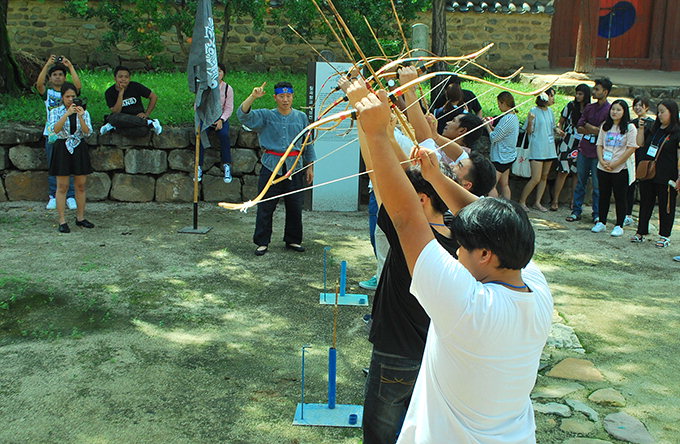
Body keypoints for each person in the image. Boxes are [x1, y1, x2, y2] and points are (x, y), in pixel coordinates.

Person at [350, 82, 553, 444]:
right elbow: (480, 216)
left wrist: (376, 131)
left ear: (486, 254)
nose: (457, 250)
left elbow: (407, 218)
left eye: (465, 245)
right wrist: (435, 177)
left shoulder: (468, 305)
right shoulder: (535, 288)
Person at [237, 81, 315, 256]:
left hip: (295, 166)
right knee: (266, 205)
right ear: (275, 97)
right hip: (271, 165)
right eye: (281, 96)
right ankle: (262, 241)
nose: (285, 100)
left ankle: (293, 239)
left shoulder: (301, 117)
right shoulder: (266, 115)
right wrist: (253, 97)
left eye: (288, 96)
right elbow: (243, 116)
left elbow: (308, 143)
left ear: (293, 97)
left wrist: (310, 166)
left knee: (295, 205)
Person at [631, 100, 680, 248]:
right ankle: (641, 232)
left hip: (667, 175)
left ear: (672, 112)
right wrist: (640, 129)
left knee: (666, 205)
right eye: (658, 111)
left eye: (663, 111)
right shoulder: (654, 128)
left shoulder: (677, 132)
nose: (660, 115)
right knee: (645, 203)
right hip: (648, 172)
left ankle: (664, 235)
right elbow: (640, 144)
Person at [47, 82, 94, 233]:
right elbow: (54, 130)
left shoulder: (84, 112)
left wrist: (80, 117)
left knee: (80, 185)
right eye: (67, 96)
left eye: (73, 96)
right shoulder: (56, 111)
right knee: (62, 186)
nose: (70, 99)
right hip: (62, 147)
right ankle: (62, 220)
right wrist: (67, 114)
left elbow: (87, 133)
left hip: (79, 147)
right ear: (62, 97)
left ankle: (80, 218)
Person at [35, 55, 81, 211]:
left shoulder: (68, 94)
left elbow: (78, 86)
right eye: (55, 75)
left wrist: (70, 66)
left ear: (64, 77)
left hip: (69, 133)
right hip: (52, 134)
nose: (58, 77)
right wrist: (48, 65)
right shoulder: (48, 93)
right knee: (53, 165)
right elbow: (39, 84)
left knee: (71, 165)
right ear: (51, 78)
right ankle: (53, 196)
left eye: (61, 74)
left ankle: (70, 196)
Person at [567, 78, 613, 222]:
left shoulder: (610, 110)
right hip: (585, 148)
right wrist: (594, 130)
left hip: (599, 151)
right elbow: (579, 126)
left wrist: (590, 127)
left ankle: (597, 213)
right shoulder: (589, 108)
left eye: (597, 89)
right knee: (581, 182)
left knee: (597, 185)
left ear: (605, 92)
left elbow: (605, 131)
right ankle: (576, 210)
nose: (594, 92)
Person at [591, 99, 638, 236]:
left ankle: (619, 224)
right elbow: (599, 145)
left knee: (620, 196)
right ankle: (602, 222)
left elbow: (631, 149)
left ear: (624, 112)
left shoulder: (630, 128)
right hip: (603, 166)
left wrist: (616, 163)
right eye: (613, 109)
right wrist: (601, 160)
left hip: (620, 168)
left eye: (618, 110)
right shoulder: (605, 126)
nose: (615, 112)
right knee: (603, 194)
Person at [519, 88, 564, 212]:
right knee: (536, 178)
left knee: (544, 176)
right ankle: (522, 201)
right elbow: (529, 131)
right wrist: (530, 121)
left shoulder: (550, 111)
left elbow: (552, 126)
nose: (553, 99)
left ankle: (537, 202)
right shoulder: (533, 111)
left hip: (549, 147)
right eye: (551, 96)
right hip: (537, 147)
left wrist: (557, 130)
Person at [551, 83, 591, 211]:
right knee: (563, 170)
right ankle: (555, 200)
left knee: (577, 173)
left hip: (582, 142)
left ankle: (574, 201)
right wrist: (559, 130)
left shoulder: (589, 108)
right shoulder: (570, 106)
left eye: (580, 94)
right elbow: (561, 121)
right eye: (577, 93)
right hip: (568, 139)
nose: (577, 96)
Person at [197, 63, 234, 183]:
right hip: (206, 118)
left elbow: (229, 108)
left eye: (220, 71)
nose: (217, 74)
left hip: (220, 118)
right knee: (200, 135)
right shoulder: (204, 88)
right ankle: (198, 166)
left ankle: (227, 165)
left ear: (223, 73)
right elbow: (197, 105)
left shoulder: (228, 88)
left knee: (224, 135)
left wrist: (221, 120)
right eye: (214, 71)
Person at [100, 66, 162, 137]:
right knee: (114, 118)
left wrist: (146, 114)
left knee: (143, 130)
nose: (123, 79)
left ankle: (113, 128)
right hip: (121, 118)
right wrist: (121, 94)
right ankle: (149, 123)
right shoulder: (109, 92)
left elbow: (153, 97)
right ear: (115, 78)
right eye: (120, 77)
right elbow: (116, 111)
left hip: (136, 117)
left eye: (126, 77)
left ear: (129, 79)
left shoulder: (135, 86)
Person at [625, 97, 654, 226]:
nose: (638, 108)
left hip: (644, 158)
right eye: (635, 105)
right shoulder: (631, 123)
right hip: (632, 156)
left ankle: (644, 220)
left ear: (646, 107)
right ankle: (628, 214)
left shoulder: (651, 124)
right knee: (629, 185)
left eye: (641, 105)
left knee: (644, 189)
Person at [486, 91, 520, 199]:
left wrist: (487, 126)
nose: (499, 106)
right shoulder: (513, 117)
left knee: (491, 186)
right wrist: (492, 128)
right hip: (508, 155)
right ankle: (508, 205)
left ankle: (493, 206)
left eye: (499, 104)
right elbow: (501, 132)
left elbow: (494, 137)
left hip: (501, 157)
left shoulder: (507, 119)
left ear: (504, 103)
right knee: (504, 184)